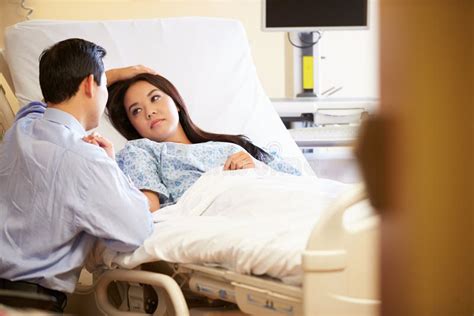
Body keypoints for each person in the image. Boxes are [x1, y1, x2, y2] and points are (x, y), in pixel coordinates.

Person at [0, 39, 156, 312]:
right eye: (104, 83)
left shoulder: (21, 128)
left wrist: (106, 75)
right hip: (26, 306)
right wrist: (112, 167)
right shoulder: (88, 161)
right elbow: (136, 230)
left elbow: (43, 105)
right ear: (88, 85)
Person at [106, 73, 301, 211]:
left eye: (155, 98)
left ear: (176, 103)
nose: (149, 111)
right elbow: (147, 211)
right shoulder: (140, 151)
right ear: (133, 125)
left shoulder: (234, 144)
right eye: (136, 110)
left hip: (276, 202)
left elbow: (298, 181)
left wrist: (255, 167)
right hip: (228, 217)